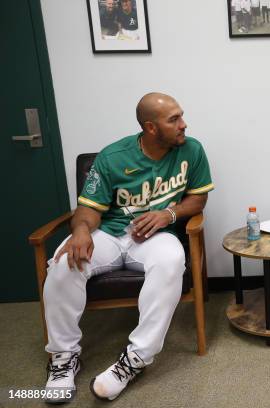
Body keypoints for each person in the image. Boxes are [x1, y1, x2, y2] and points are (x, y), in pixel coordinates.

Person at [42, 93, 214, 403]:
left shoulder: (192, 149)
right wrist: (81, 231)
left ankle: (135, 359)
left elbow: (198, 199)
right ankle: (64, 357)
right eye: (173, 119)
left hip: (154, 237)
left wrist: (169, 214)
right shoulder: (112, 156)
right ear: (150, 127)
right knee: (64, 261)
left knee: (172, 259)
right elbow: (88, 209)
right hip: (108, 234)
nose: (183, 124)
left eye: (181, 116)